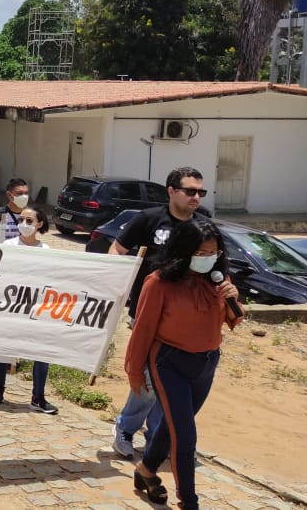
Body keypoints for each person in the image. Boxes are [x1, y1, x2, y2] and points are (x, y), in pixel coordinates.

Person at [125, 217, 241, 509]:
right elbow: (143, 330)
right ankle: (189, 501)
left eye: (213, 253)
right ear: (183, 250)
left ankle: (146, 470)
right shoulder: (159, 282)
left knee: (174, 426)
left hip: (206, 362)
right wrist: (135, 370)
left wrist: (234, 299)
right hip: (169, 361)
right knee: (186, 436)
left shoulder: (217, 281)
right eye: (201, 253)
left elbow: (232, 319)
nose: (208, 259)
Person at [109, 167, 212, 457]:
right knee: (148, 376)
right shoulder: (149, 219)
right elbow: (117, 250)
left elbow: (213, 260)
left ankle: (156, 435)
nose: (196, 197)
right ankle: (125, 429)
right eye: (190, 191)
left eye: (200, 192)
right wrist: (119, 285)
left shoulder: (204, 224)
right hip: (147, 311)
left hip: (187, 315)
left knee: (168, 379)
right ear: (171, 190)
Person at [0, 207, 57, 414]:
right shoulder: (8, 245)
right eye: (22, 219)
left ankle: (38, 397)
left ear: (40, 224)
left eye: (29, 220)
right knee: (4, 350)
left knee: (41, 351)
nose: (24, 224)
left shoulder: (46, 251)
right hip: (10, 306)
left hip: (35, 308)